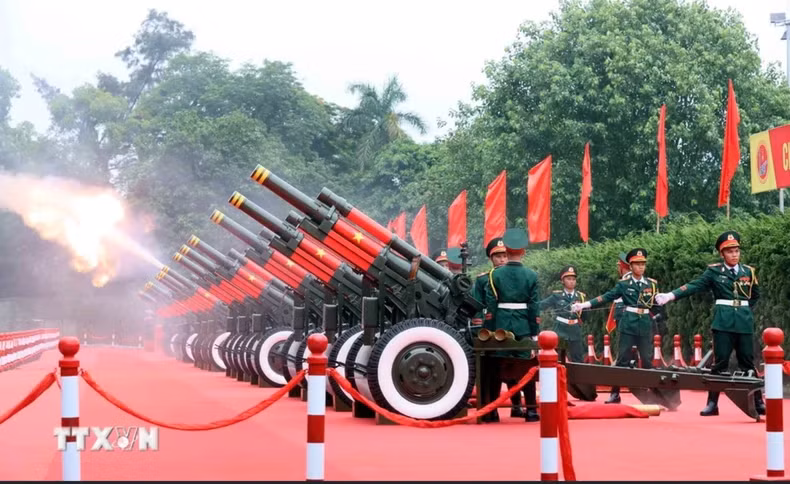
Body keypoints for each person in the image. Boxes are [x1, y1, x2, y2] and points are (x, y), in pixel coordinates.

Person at [655, 231, 765, 416]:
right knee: (720, 362)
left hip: (744, 322)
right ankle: (712, 404)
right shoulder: (714, 271)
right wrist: (671, 295)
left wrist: (744, 310)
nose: (734, 254)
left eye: (737, 250)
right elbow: (694, 285)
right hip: (723, 322)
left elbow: (755, 296)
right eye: (730, 251)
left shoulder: (749, 271)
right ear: (722, 254)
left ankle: (757, 401)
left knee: (747, 362)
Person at [572, 248, 657, 404]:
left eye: (643, 264)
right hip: (628, 323)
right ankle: (615, 393)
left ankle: (651, 394)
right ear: (630, 266)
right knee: (622, 359)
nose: (641, 267)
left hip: (644, 323)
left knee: (647, 360)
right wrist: (585, 304)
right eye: (637, 264)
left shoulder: (651, 284)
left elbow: (655, 303)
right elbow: (606, 297)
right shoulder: (624, 284)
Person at [483, 228, 540, 422]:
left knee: (498, 368)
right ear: (524, 251)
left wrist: (490, 331)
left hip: (501, 327)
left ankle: (492, 412)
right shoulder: (532, 275)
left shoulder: (494, 275)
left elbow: (491, 306)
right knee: (527, 368)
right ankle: (531, 410)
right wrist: (535, 334)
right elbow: (534, 307)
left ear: (505, 250)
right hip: (524, 326)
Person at [472, 237, 525, 418]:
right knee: (491, 369)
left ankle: (517, 405)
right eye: (498, 256)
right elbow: (477, 305)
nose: (502, 259)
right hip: (491, 328)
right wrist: (480, 328)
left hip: (513, 328)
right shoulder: (483, 280)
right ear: (491, 259)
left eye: (504, 255)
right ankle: (491, 408)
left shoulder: (516, 276)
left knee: (515, 367)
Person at [539, 266, 586, 363]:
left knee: (578, 358)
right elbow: (541, 305)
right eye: (568, 279)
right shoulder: (557, 296)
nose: (572, 281)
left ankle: (576, 378)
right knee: (558, 357)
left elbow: (585, 315)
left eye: (573, 279)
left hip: (575, 330)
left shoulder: (580, 296)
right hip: (560, 329)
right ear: (562, 281)